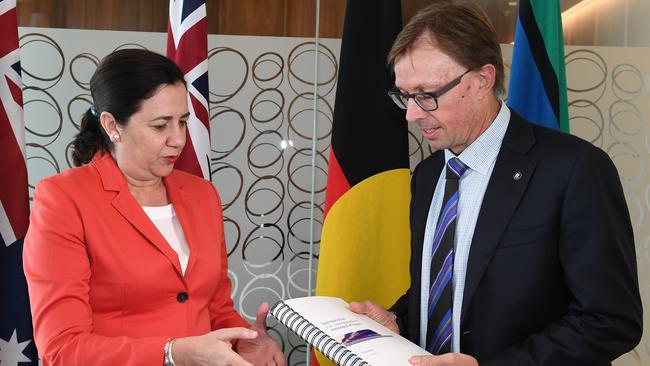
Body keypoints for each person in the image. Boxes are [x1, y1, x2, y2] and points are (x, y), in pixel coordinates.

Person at [349, 3, 642, 366]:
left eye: (426, 95)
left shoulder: (575, 169)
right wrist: (397, 319)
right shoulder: (426, 177)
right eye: (404, 96)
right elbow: (449, 289)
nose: (411, 114)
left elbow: (610, 321)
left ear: (482, 80)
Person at [23, 49, 286, 366]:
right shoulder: (63, 198)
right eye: (161, 126)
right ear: (112, 125)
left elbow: (215, 308)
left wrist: (245, 339)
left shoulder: (203, 195)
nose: (178, 139)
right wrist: (173, 353)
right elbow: (62, 349)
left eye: (183, 122)